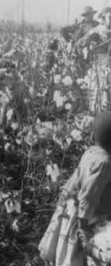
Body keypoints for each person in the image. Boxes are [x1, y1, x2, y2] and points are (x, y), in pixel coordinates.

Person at [39, 111, 111, 266]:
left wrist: (63, 197)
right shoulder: (104, 162)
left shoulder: (90, 153)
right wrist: (83, 225)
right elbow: (89, 195)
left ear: (93, 136)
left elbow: (75, 177)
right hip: (87, 215)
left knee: (66, 247)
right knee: (80, 250)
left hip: (73, 207)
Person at [75, 7, 111, 113]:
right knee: (99, 89)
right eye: (109, 17)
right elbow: (79, 44)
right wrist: (88, 48)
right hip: (101, 64)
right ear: (103, 18)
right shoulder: (97, 30)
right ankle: (98, 114)